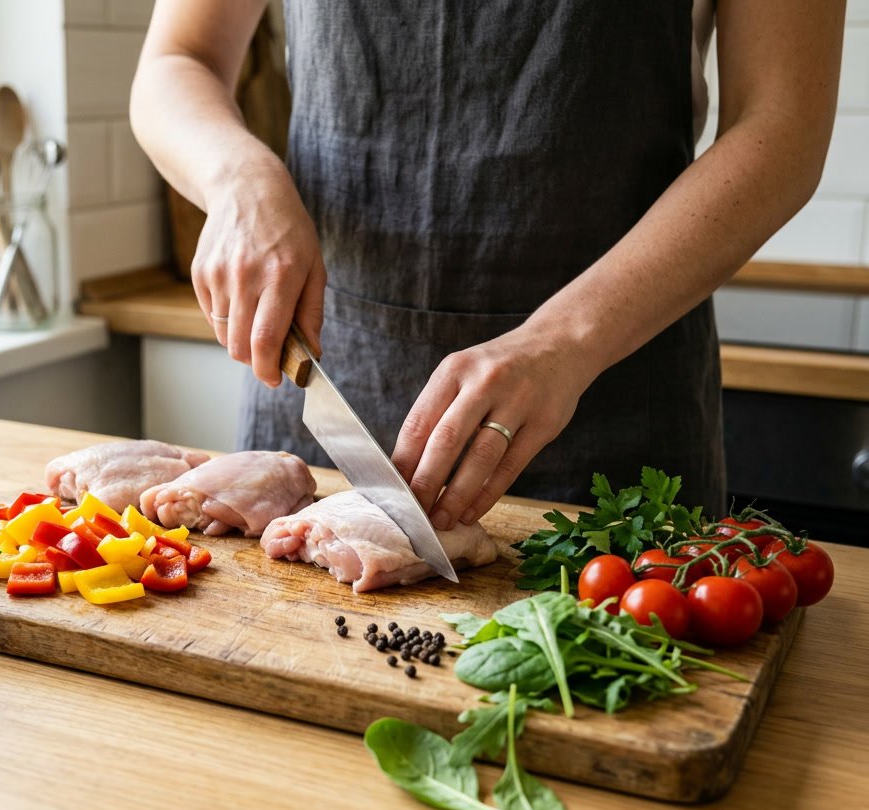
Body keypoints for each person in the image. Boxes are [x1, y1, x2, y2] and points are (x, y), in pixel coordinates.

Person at [129, 1, 844, 529]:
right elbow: (177, 59)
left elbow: (783, 125)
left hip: (612, 386)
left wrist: (565, 340)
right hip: (324, 369)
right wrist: (238, 179)